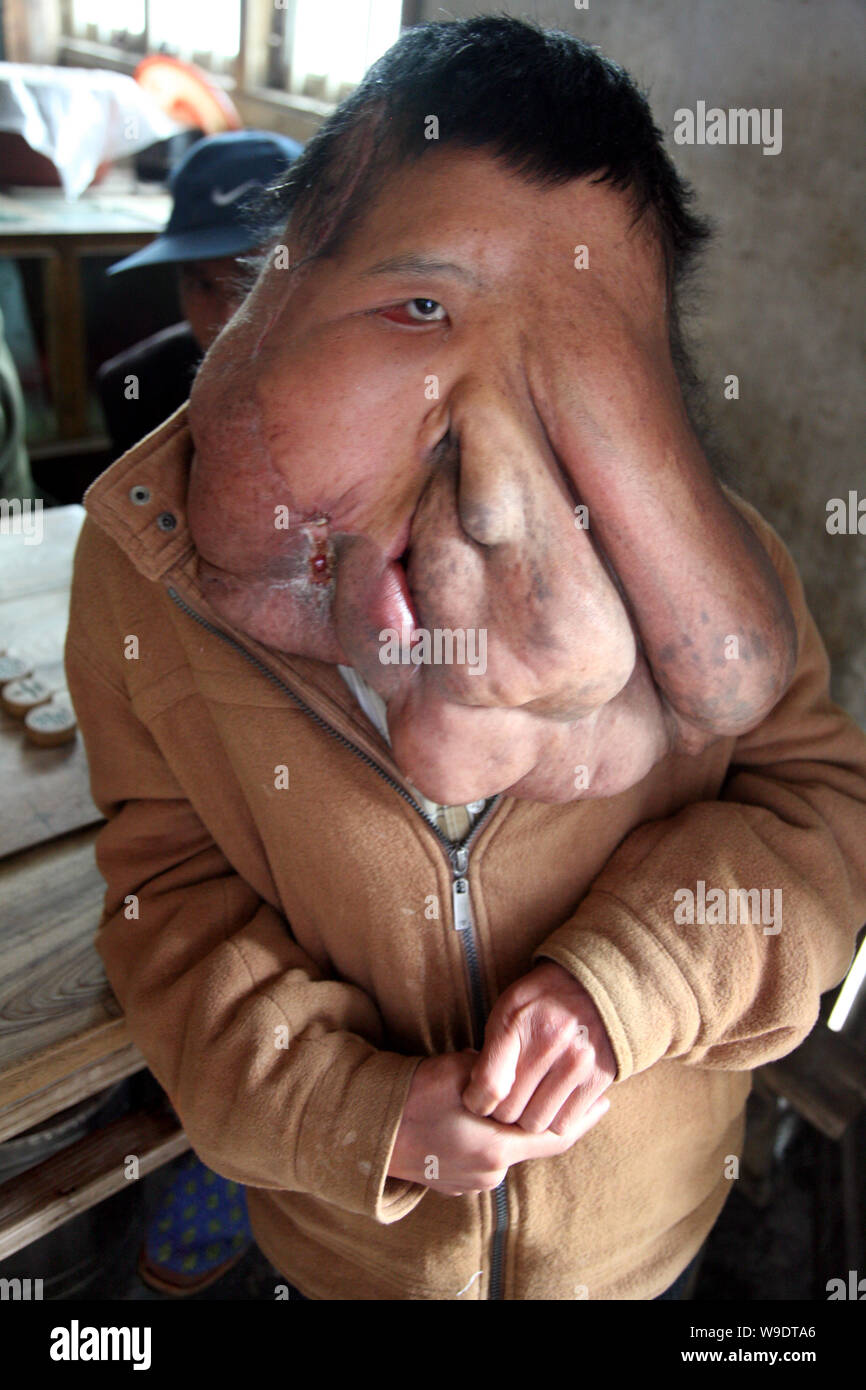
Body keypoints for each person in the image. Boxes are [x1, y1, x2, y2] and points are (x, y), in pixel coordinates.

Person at [65, 17, 866, 1300]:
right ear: (277, 283)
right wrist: (362, 1115)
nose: (488, 473)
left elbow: (824, 821)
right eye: (416, 307)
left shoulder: (720, 584)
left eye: (585, 365)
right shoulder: (141, 581)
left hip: (636, 1249)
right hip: (350, 1257)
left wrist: (629, 986)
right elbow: (164, 891)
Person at [98, 130, 302, 459]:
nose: (227, 319)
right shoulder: (135, 387)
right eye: (203, 285)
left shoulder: (365, 387)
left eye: (253, 285)